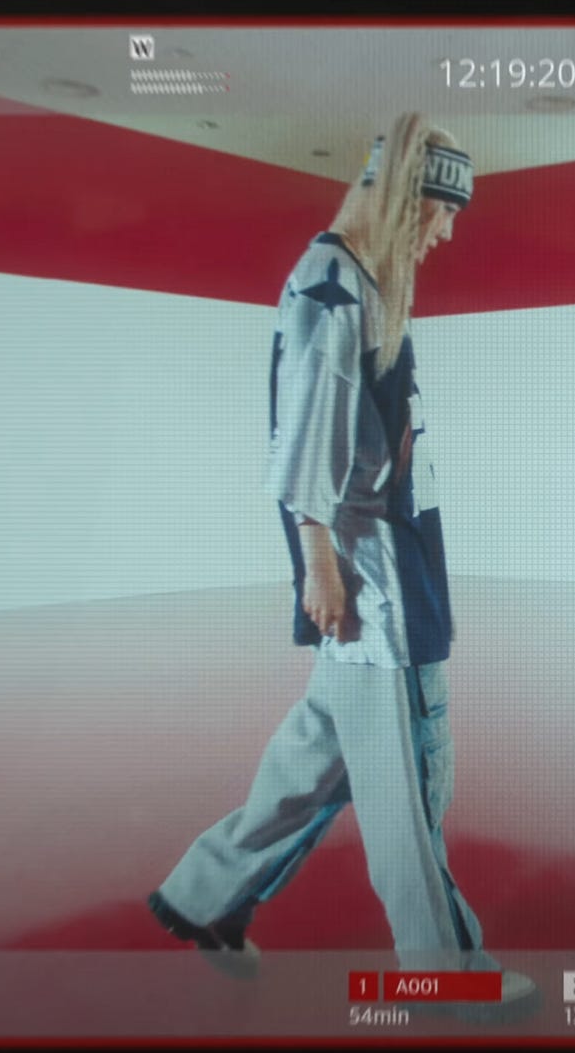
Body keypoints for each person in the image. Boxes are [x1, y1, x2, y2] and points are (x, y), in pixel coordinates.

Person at [146, 112, 536, 1013]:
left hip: (391, 572)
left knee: (315, 760)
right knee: (407, 792)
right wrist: (319, 566)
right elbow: (305, 440)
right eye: (441, 210)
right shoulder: (334, 290)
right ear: (404, 197)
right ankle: (444, 976)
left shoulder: (355, 281)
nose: (447, 232)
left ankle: (203, 896)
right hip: (376, 591)